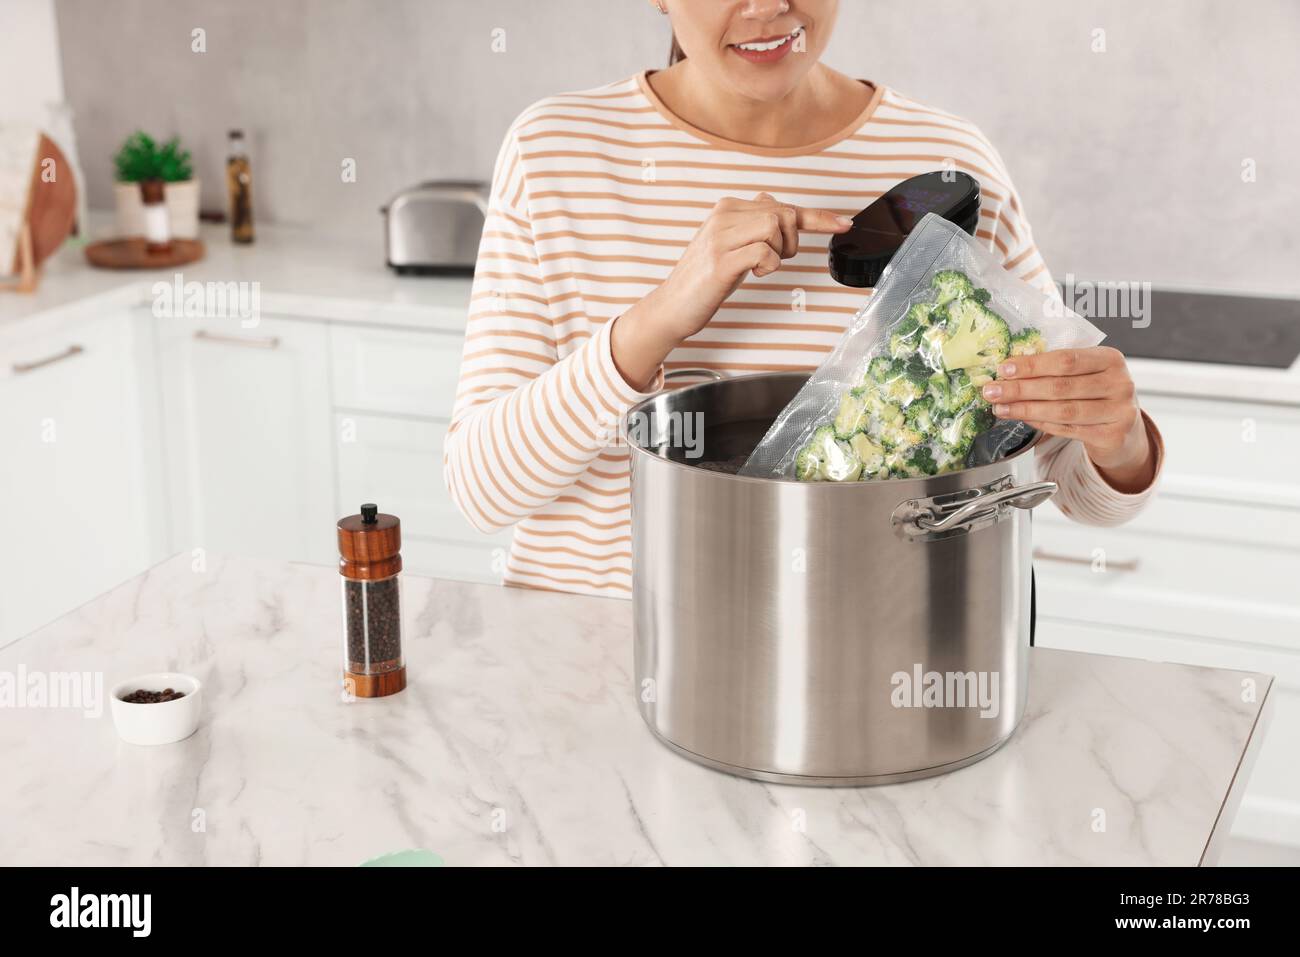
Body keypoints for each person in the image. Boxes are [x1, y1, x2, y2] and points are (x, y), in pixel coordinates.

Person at [445, 0, 1164, 597]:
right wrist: (658, 317)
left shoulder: (948, 164)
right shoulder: (558, 154)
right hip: (587, 689)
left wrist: (1120, 438)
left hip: (857, 688)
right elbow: (481, 489)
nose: (768, 7)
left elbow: (1073, 481)